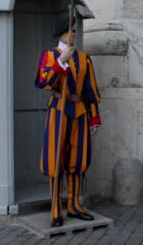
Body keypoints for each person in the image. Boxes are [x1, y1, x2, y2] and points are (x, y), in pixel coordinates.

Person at [35, 18, 102, 227]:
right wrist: (61, 61)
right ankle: (56, 209)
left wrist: (94, 118)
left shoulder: (84, 58)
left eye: (74, 30)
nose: (73, 33)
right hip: (59, 110)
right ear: (61, 33)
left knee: (77, 160)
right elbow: (43, 82)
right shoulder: (49, 55)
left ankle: (73, 206)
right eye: (69, 30)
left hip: (80, 112)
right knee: (56, 161)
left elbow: (90, 91)